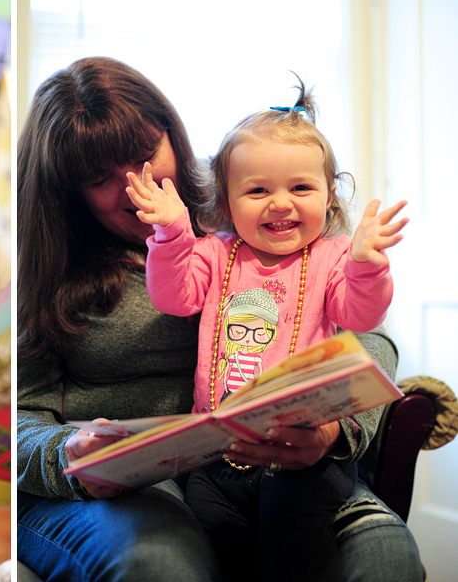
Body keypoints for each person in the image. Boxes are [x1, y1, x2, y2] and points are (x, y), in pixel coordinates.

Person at [16, 56, 425, 582]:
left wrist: (335, 430)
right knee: (168, 563)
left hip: (292, 453)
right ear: (69, 189)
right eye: (100, 177)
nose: (136, 183)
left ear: (171, 132)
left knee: (385, 559)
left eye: (145, 154)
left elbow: (365, 325)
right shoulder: (55, 262)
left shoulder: (247, 197)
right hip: (155, 478)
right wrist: (67, 455)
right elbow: (17, 412)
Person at [124, 77, 409, 581]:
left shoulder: (333, 255)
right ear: (226, 201)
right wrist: (171, 234)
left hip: (301, 456)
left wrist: (367, 265)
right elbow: (172, 296)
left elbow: (362, 317)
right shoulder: (216, 252)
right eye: (257, 190)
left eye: (301, 188)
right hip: (215, 457)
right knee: (217, 546)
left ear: (329, 195)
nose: (280, 203)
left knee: (293, 547)